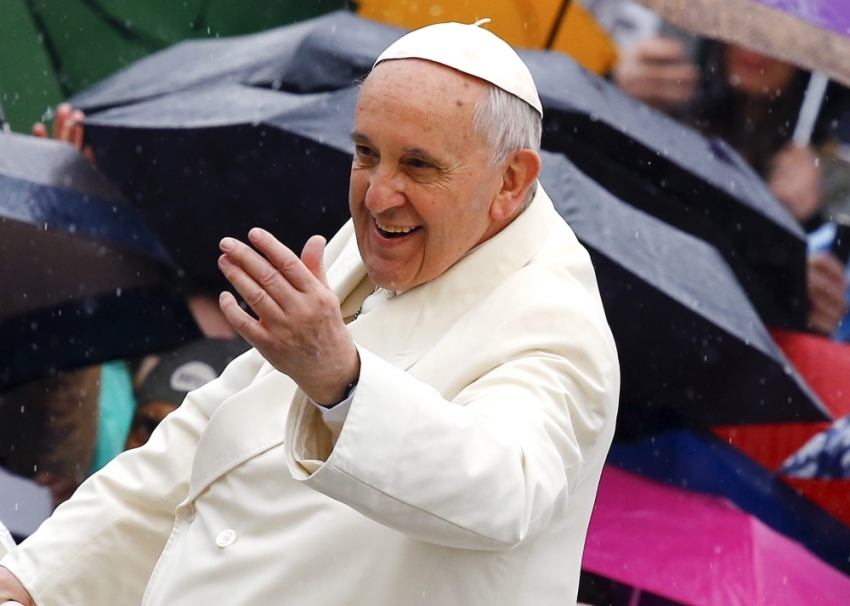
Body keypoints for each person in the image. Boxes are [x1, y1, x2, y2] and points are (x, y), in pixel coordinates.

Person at [0, 21, 619, 605]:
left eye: (418, 165)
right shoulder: (373, 242)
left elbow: (504, 490)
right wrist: (39, 576)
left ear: (511, 180)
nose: (377, 195)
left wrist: (343, 381)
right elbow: (210, 439)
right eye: (366, 153)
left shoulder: (557, 322)